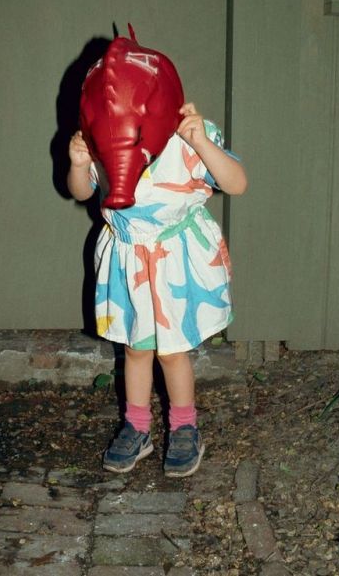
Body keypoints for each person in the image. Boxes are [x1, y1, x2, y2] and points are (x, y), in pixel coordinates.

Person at [67, 102, 247, 477]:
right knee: (134, 347)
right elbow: (83, 192)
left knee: (172, 352)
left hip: (173, 261)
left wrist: (201, 142)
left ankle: (184, 427)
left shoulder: (186, 138)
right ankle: (137, 426)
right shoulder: (104, 137)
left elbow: (236, 183)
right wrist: (79, 165)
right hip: (128, 259)